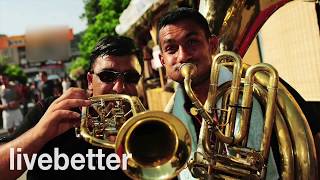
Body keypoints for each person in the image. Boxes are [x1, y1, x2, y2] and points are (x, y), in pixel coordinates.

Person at [157, 8, 279, 179]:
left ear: (212, 45)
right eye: (171, 49)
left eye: (192, 42)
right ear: (163, 61)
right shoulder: (168, 120)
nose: (183, 56)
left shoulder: (256, 90)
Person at [0, 35, 143, 179]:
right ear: (90, 81)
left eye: (130, 77)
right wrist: (40, 134)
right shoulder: (50, 110)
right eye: (107, 76)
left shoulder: (147, 126)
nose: (119, 88)